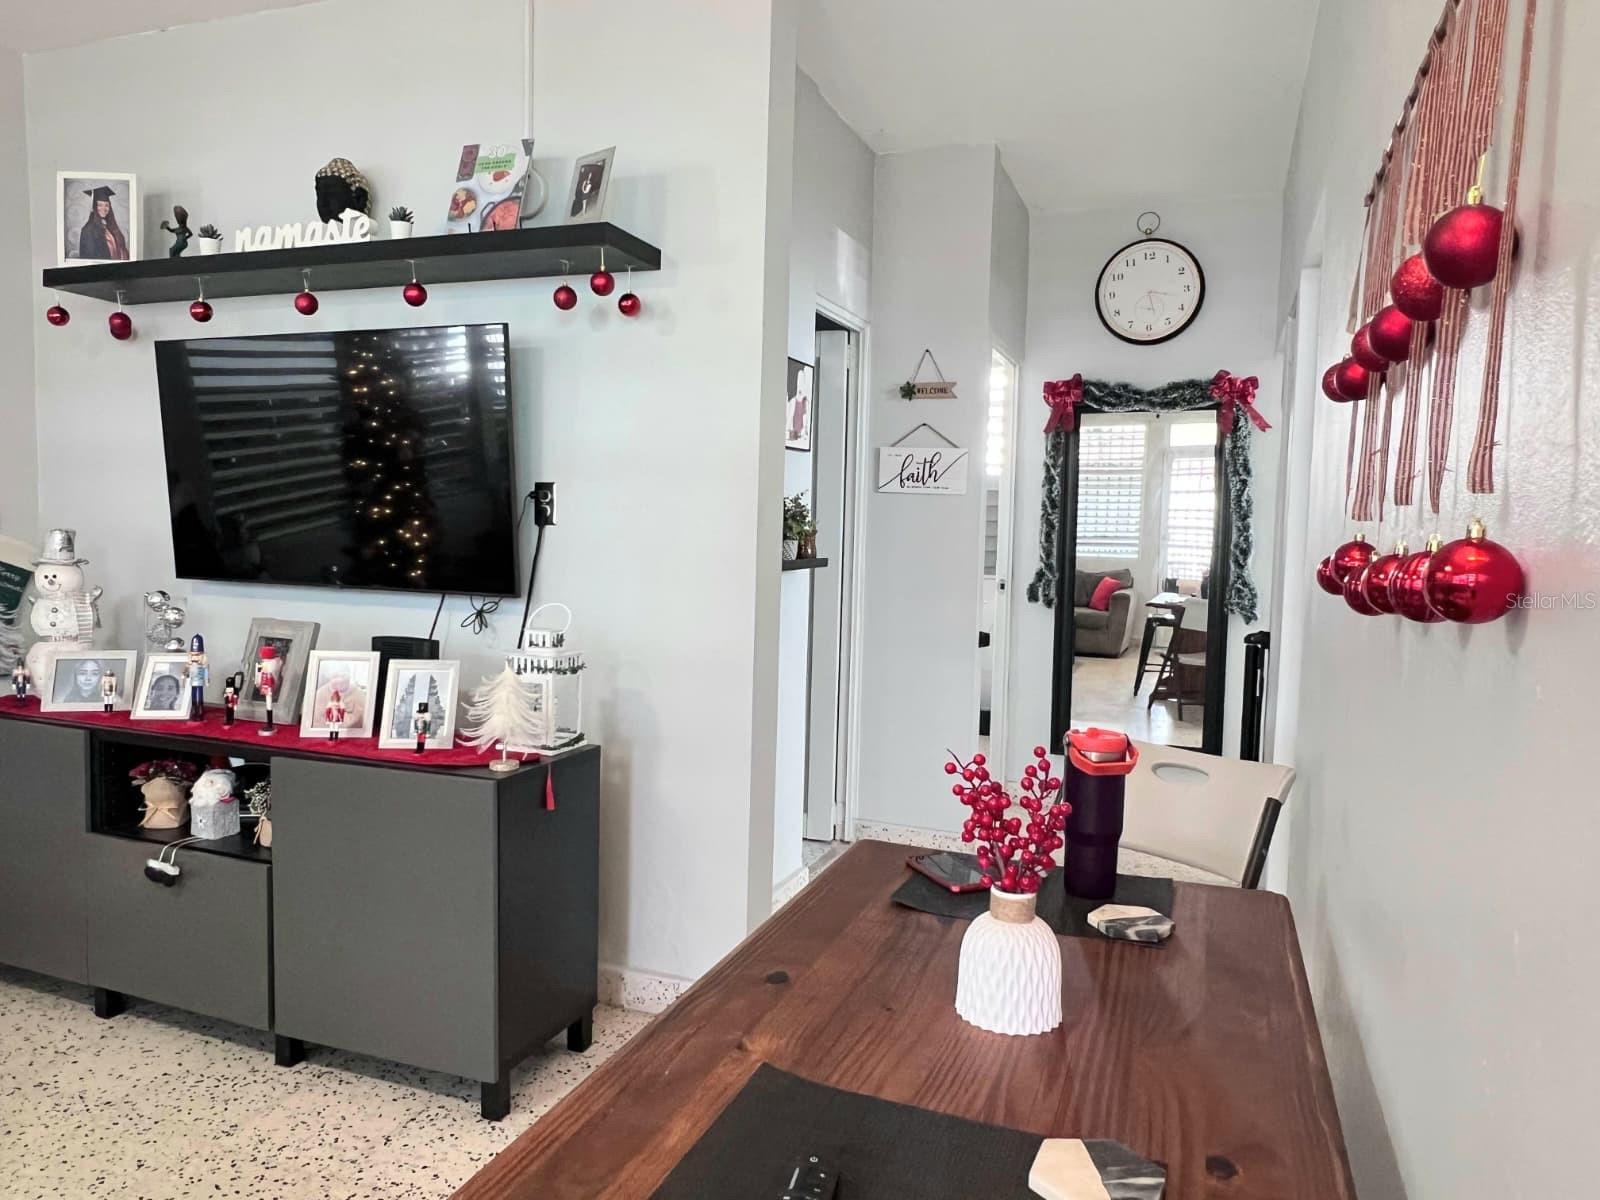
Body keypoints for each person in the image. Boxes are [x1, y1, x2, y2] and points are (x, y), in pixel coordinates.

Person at [77, 186, 129, 261]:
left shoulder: (110, 226)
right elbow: (89, 258)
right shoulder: (88, 230)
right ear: (94, 207)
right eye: (100, 205)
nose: (104, 208)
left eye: (106, 205)